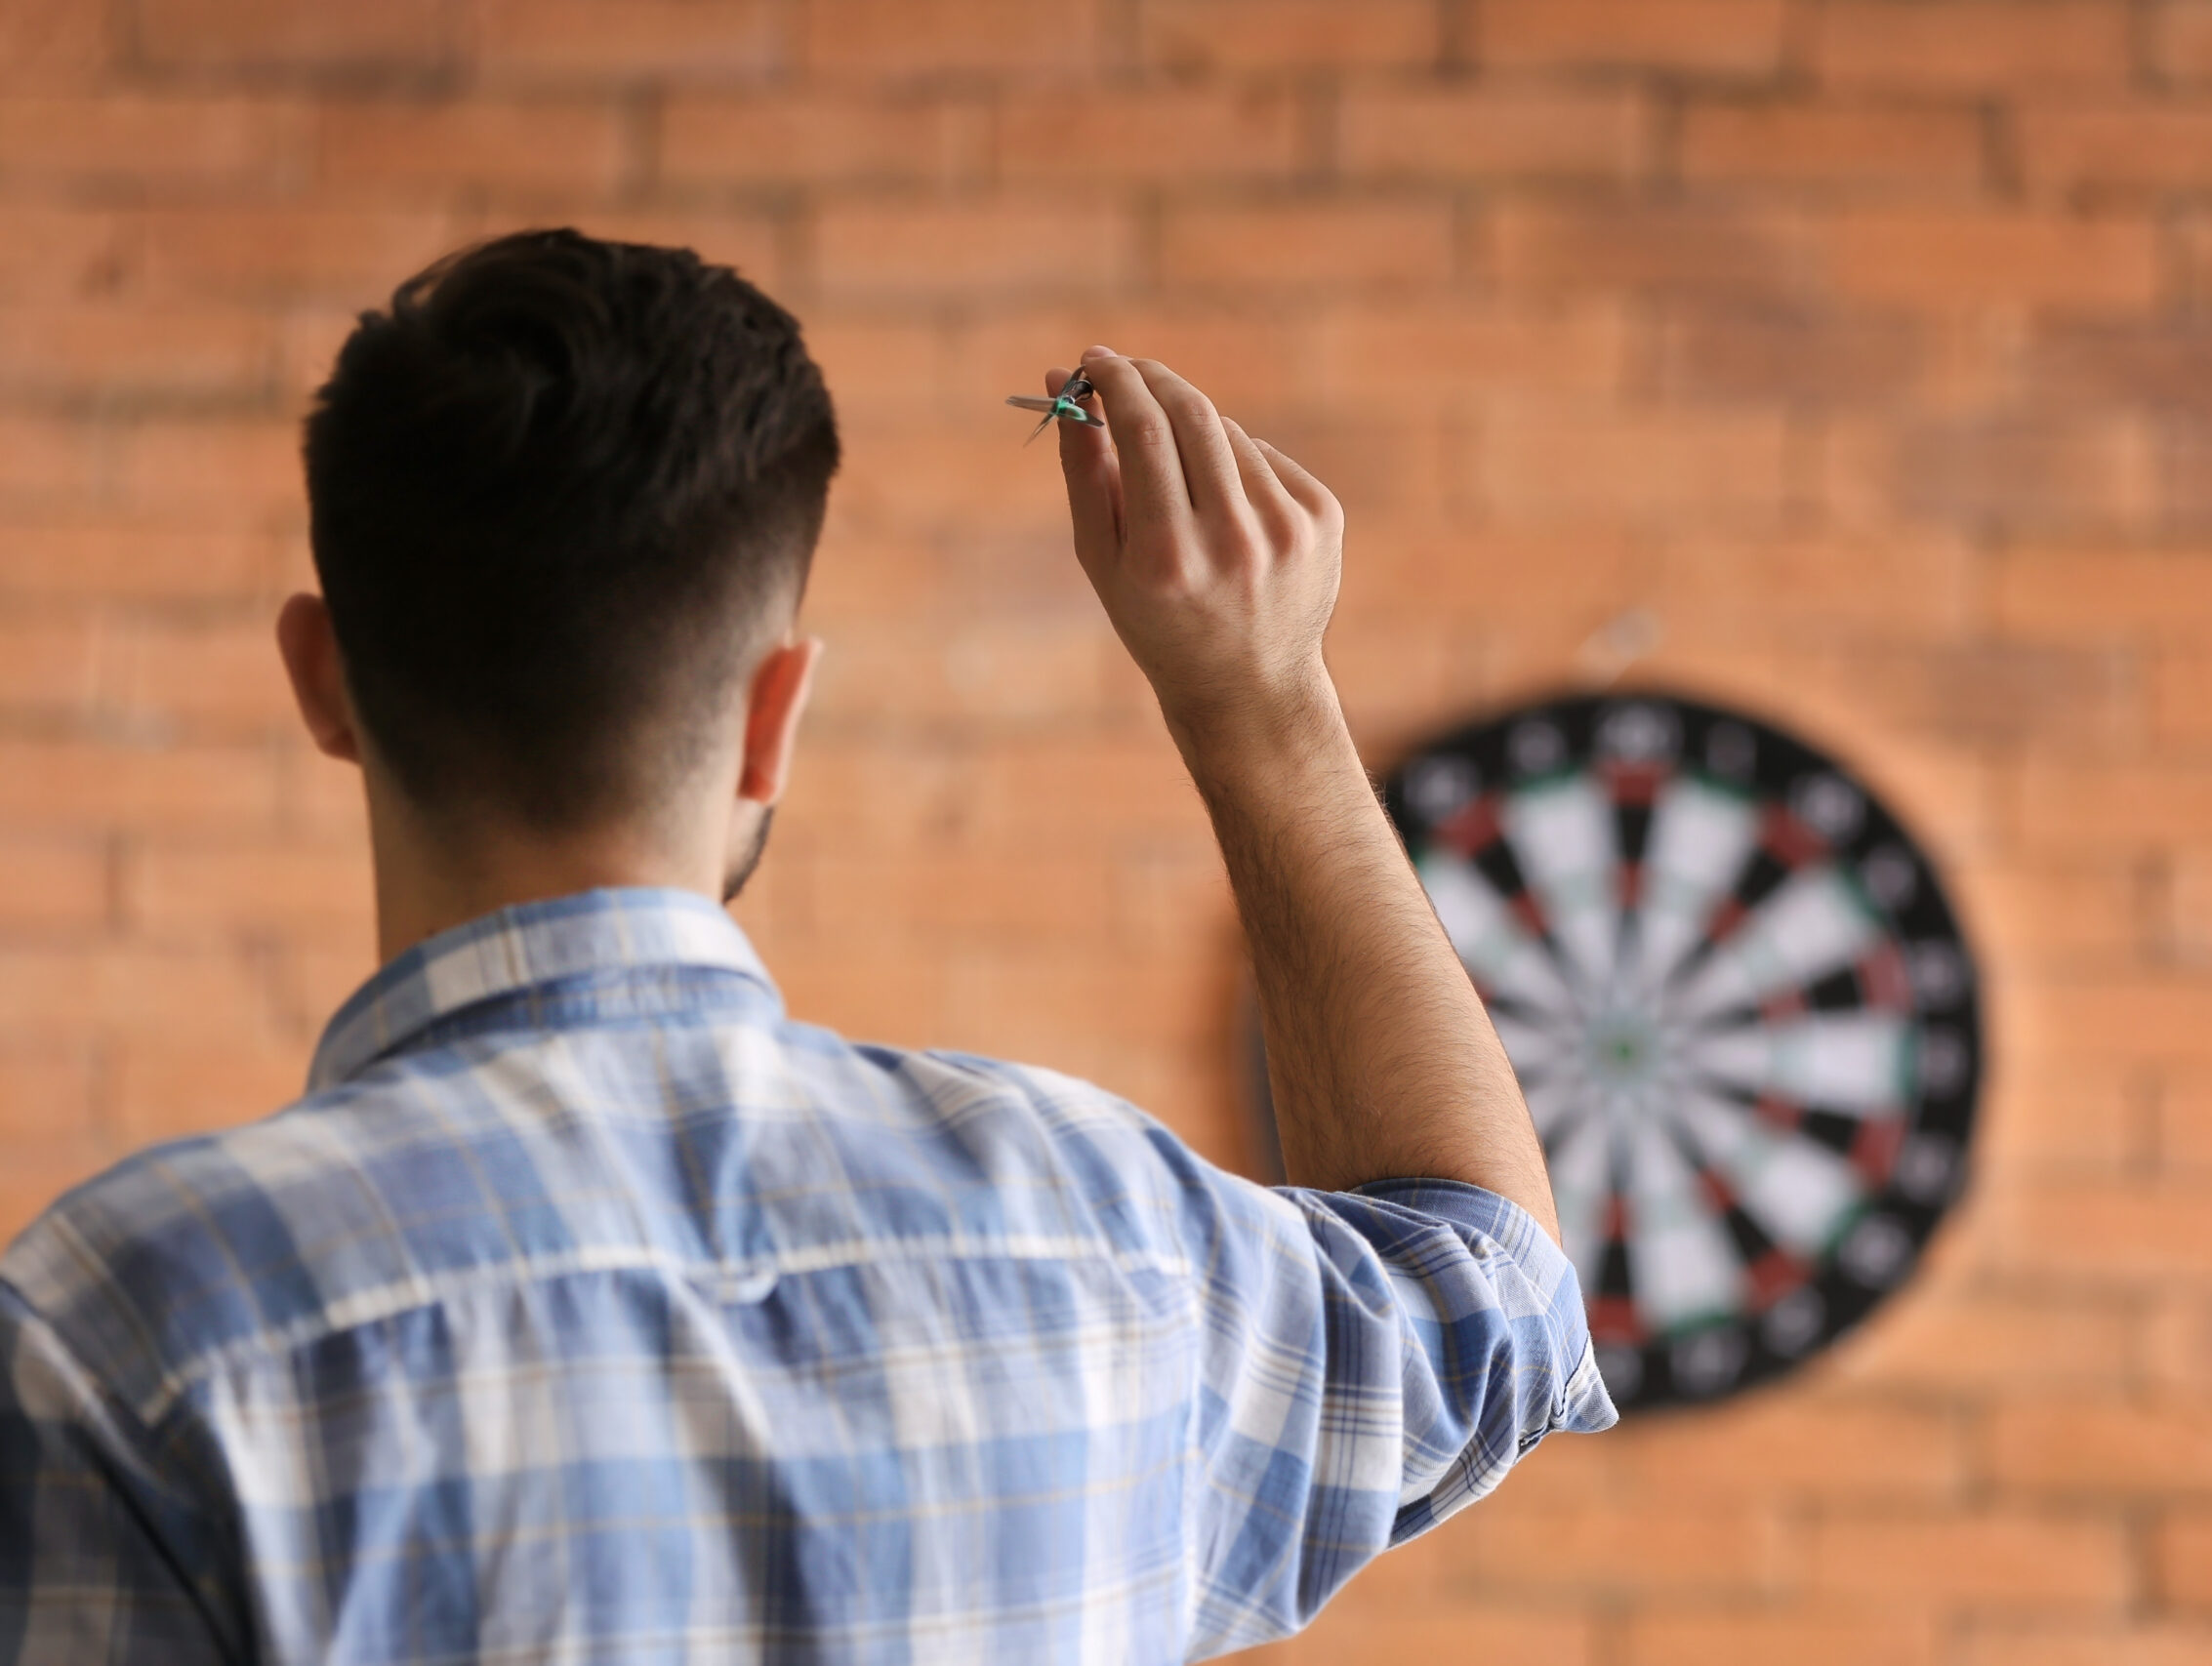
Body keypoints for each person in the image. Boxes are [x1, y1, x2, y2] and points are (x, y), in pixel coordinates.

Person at [0, 229, 1614, 1665]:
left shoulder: (127, 1337)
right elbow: (1496, 1302)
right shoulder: (1117, 1256)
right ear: (777, 714)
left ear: (322, 679)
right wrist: (1264, 707)